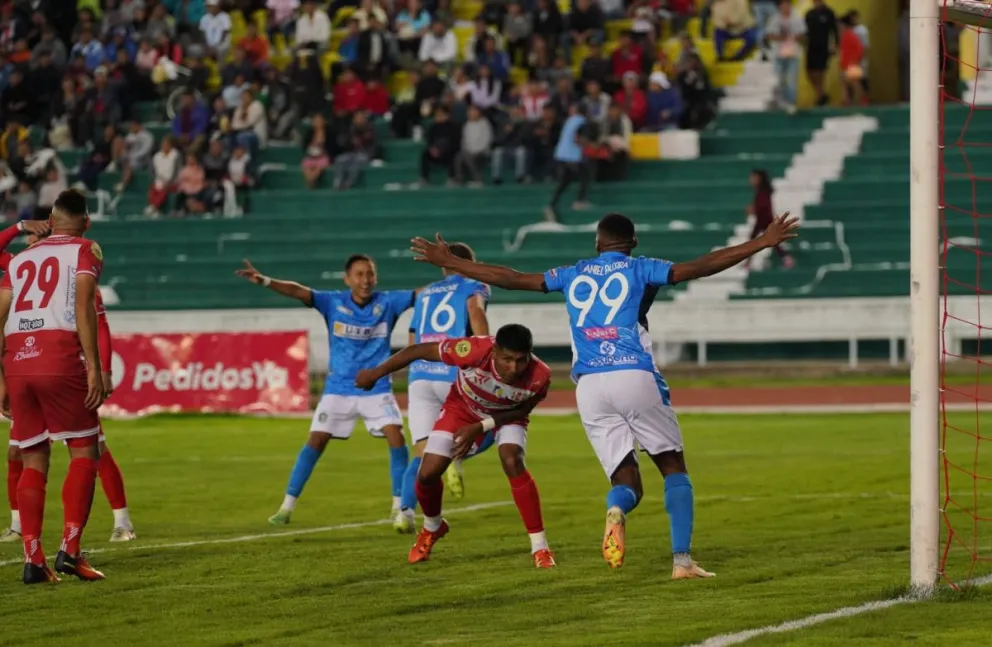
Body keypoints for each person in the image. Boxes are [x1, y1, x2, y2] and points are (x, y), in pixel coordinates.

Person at [409, 210, 800, 577]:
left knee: (625, 478)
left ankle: (616, 509)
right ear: (633, 243)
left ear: (597, 245)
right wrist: (761, 242)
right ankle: (682, 561)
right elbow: (698, 267)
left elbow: (511, 277)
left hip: (590, 386)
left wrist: (454, 263)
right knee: (673, 468)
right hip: (632, 373)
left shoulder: (573, 273)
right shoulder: (640, 267)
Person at [235, 255, 416, 526]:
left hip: (376, 388)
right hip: (338, 389)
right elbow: (298, 291)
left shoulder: (388, 302)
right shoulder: (333, 302)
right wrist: (264, 280)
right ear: (347, 279)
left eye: (370, 274)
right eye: (359, 274)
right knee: (316, 441)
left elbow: (420, 295)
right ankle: (286, 508)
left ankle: (398, 507)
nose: (365, 280)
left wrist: (455, 280)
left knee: (396, 437)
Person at [355, 326, 556, 568]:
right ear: (494, 352)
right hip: (461, 410)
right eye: (507, 360)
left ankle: (540, 547)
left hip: (505, 417)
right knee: (427, 474)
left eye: (521, 360)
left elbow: (522, 410)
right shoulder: (472, 350)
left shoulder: (540, 375)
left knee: (512, 459)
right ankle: (433, 527)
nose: (514, 368)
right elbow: (417, 350)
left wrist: (482, 427)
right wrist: (375, 374)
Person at [0, 219, 135, 546]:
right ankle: (20, 526)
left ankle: (122, 521)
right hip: (33, 366)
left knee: (93, 448)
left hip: (57, 368)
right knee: (18, 451)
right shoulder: (18, 267)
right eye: (29, 236)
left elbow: (98, 322)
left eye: (35, 235)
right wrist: (18, 226)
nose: (30, 241)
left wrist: (101, 370)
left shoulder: (71, 275)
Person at [0, 189, 107, 584]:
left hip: (17, 360)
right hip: (58, 355)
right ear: (85, 222)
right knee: (84, 449)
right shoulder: (86, 249)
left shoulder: (22, 258)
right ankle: (71, 551)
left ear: (50, 217)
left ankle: (33, 559)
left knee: (33, 458)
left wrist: (2, 378)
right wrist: (93, 367)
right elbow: (83, 308)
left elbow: (0, 316)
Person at [392, 243, 491, 533]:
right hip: (452, 373)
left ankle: (405, 513)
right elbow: (475, 312)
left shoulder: (425, 293)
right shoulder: (475, 284)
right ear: (468, 264)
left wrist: (416, 368)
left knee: (422, 453)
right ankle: (453, 458)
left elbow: (413, 335)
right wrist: (486, 348)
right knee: (494, 427)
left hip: (421, 376)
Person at [747, 169, 794, 269]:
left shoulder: (763, 191)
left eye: (753, 177)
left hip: (764, 219)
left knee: (755, 241)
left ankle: (786, 257)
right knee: (756, 241)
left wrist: (754, 209)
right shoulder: (761, 191)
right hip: (762, 219)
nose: (751, 180)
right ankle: (786, 257)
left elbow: (763, 206)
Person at [804, 0, 838, 107]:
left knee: (820, 72)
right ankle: (822, 94)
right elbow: (805, 31)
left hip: (823, 46)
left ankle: (820, 97)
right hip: (811, 47)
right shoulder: (809, 14)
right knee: (810, 72)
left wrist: (834, 45)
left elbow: (834, 30)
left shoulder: (829, 13)